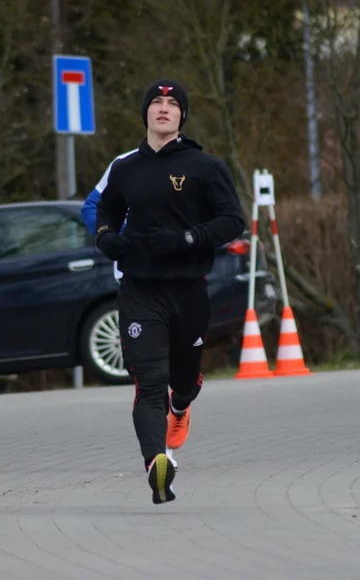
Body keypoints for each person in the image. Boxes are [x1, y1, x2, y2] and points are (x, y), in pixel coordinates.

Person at [94, 78, 245, 505]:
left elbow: (231, 220)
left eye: (172, 103)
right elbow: (106, 212)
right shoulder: (125, 169)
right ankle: (155, 464)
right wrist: (107, 238)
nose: (164, 108)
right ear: (145, 113)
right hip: (140, 290)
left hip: (188, 291)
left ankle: (180, 409)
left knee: (182, 382)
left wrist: (188, 239)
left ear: (182, 116)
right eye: (156, 102)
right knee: (149, 380)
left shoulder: (205, 166)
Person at [81, 148, 137, 283]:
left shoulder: (193, 162)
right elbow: (91, 207)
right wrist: (112, 236)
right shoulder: (125, 163)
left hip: (183, 274)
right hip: (133, 274)